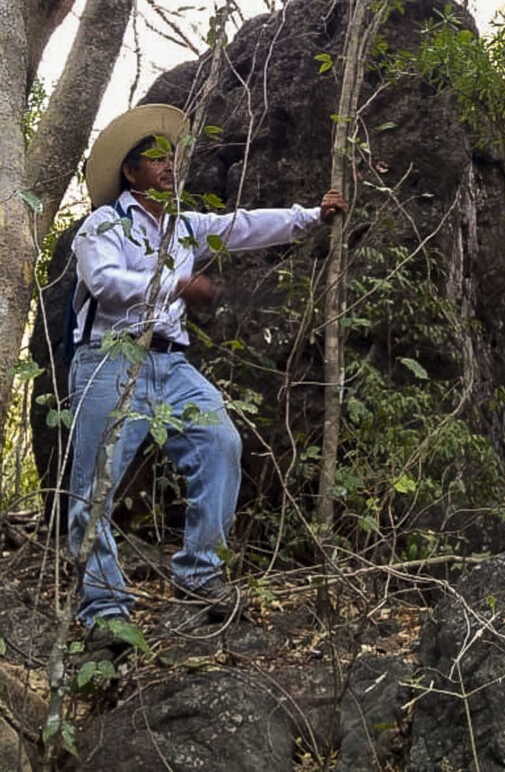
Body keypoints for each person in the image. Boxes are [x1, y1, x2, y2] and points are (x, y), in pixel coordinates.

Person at [67, 103, 346, 636]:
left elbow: (241, 226)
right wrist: (174, 285)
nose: (169, 165)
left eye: (172, 157)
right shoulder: (103, 225)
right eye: (155, 158)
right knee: (94, 487)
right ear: (131, 172)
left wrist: (313, 215)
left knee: (220, 442)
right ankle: (104, 612)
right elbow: (104, 283)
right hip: (110, 358)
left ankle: (199, 573)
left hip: (172, 365)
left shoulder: (184, 226)